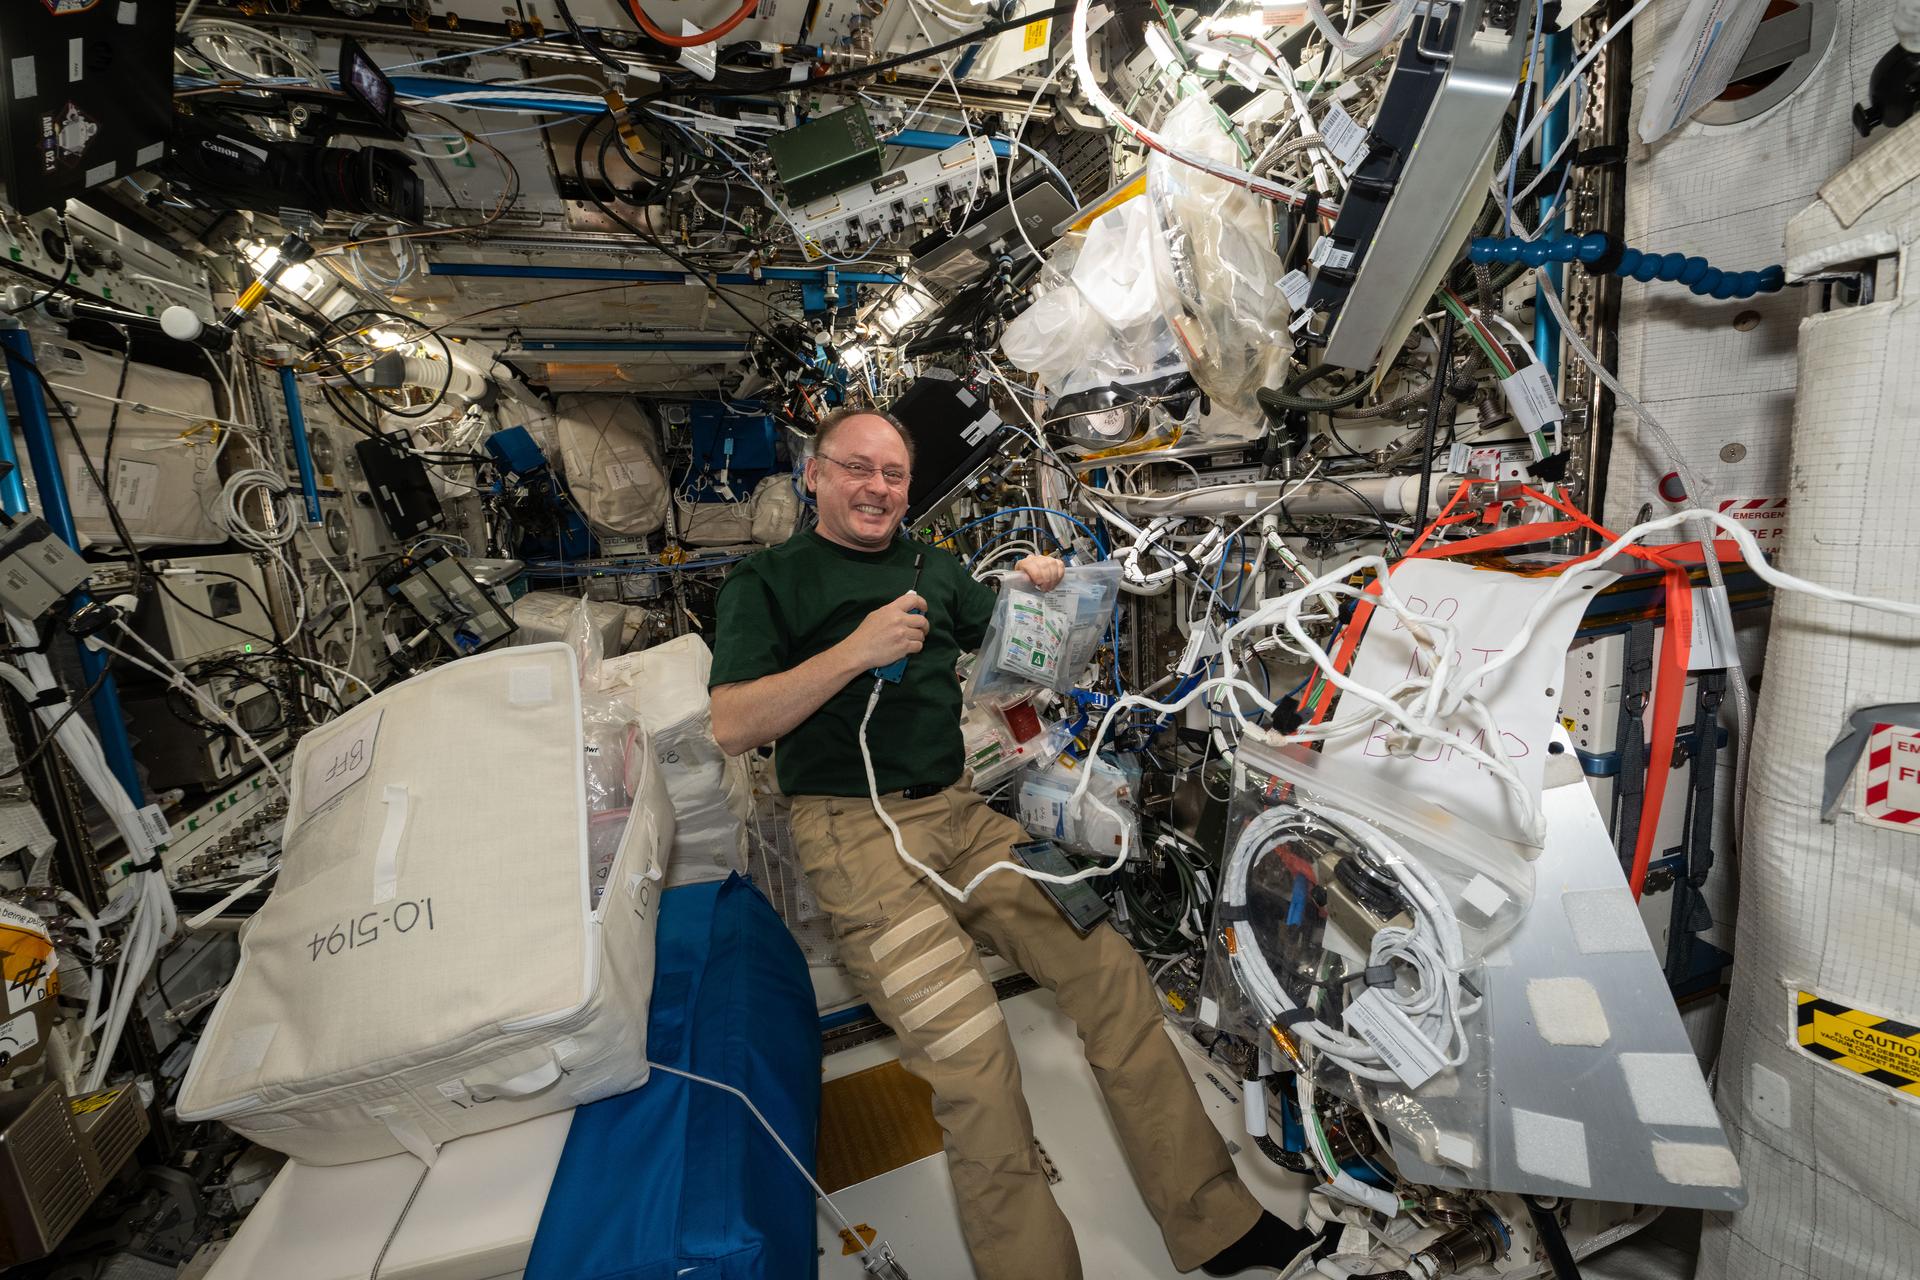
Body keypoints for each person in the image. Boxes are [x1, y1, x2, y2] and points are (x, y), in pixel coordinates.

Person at [709, 408, 1317, 1280]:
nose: (875, 488)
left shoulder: (935, 567)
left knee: (1107, 973)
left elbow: (1020, 656)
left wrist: (1039, 596)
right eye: (856, 469)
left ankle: (1214, 1223)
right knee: (974, 1061)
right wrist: (853, 652)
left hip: (960, 819)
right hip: (855, 837)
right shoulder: (768, 582)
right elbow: (733, 724)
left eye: (892, 474)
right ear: (814, 474)